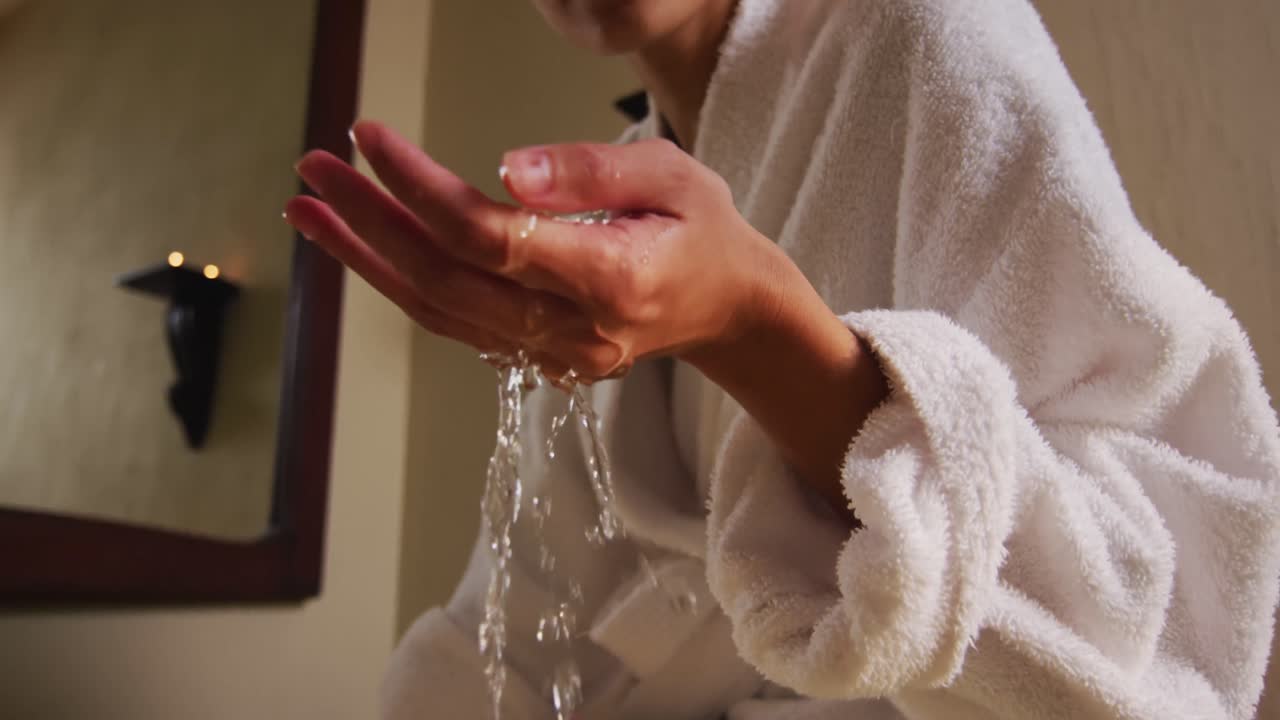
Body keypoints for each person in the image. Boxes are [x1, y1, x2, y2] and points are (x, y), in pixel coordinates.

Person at [283, 0, 1280, 717]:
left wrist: (751, 325)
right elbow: (527, 629)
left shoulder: (927, 36)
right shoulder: (615, 212)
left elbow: (1150, 623)